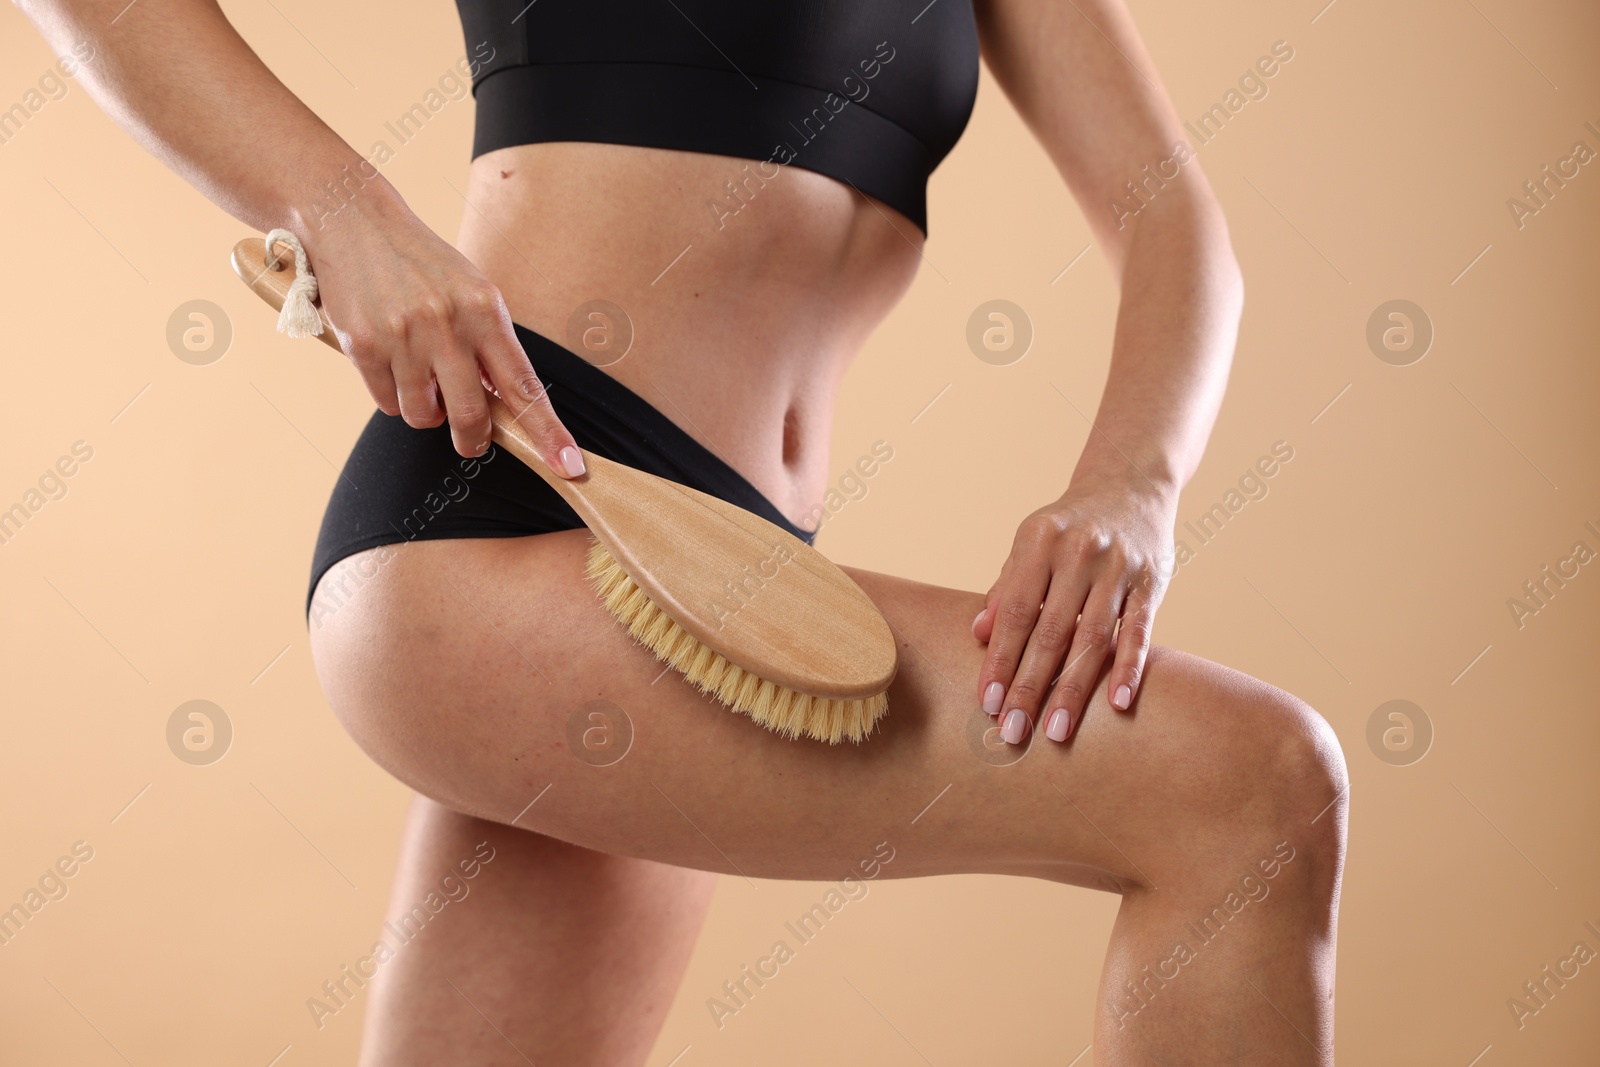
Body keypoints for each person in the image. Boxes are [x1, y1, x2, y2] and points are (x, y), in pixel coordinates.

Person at [17, 0, 1348, 1061]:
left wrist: (1131, 485)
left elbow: (1175, 225)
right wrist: (343, 210)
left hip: (727, 585)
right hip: (506, 514)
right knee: (1249, 791)